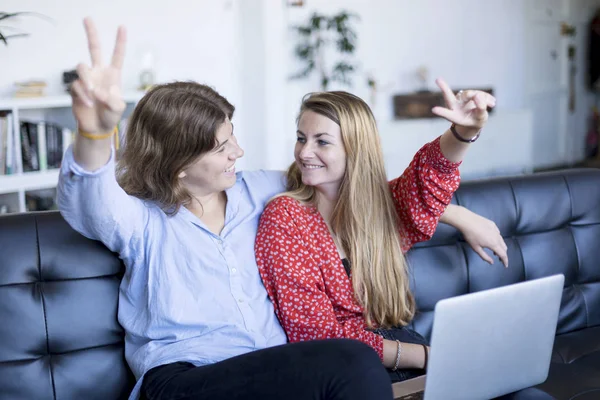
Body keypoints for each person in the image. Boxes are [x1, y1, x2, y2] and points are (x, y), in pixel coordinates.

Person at [58, 17, 505, 400]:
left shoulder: (257, 189)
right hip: (184, 381)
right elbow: (92, 201)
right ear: (177, 166)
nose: (239, 151)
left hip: (274, 369)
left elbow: (355, 187)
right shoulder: (140, 221)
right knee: (351, 359)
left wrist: (457, 211)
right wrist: (95, 134)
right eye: (221, 147)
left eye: (232, 135)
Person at [254, 88, 497, 384]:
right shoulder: (285, 217)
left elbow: (431, 174)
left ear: (356, 149)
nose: (304, 153)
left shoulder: (381, 206)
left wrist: (463, 132)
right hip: (348, 368)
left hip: (408, 347)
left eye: (322, 142)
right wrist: (430, 357)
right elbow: (315, 334)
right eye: (301, 138)